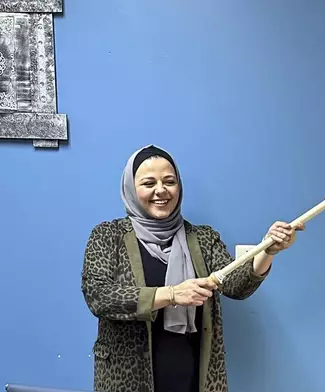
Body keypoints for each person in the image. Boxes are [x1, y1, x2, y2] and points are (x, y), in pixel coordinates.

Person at [81, 145, 304, 392]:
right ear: (131, 189)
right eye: (148, 183)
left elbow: (236, 285)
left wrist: (268, 250)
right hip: (126, 380)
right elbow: (99, 296)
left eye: (169, 181)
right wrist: (172, 294)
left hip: (194, 374)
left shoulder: (203, 238)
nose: (161, 191)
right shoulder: (107, 236)